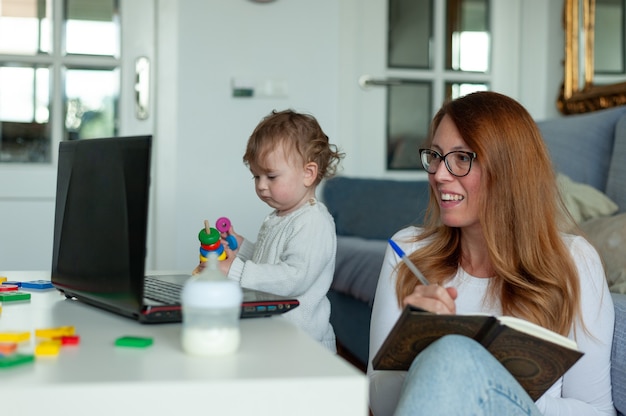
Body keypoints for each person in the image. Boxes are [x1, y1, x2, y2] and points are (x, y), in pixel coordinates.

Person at [367, 91, 616, 415]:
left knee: (455, 355)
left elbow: (596, 411)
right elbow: (381, 406)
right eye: (437, 156)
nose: (439, 174)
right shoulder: (408, 253)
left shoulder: (573, 261)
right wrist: (414, 347)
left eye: (461, 158)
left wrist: (492, 381)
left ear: (508, 170)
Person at [208, 109, 344, 353]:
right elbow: (270, 261)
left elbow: (293, 277)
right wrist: (242, 249)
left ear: (308, 173)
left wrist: (236, 271)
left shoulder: (313, 222)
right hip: (275, 339)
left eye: (271, 176)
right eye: (256, 177)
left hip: (303, 347)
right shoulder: (280, 217)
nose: (261, 186)